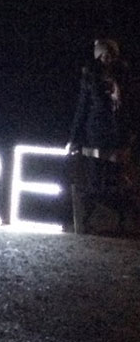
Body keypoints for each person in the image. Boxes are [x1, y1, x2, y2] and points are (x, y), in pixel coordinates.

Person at [67, 39, 134, 234]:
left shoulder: (124, 75)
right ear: (98, 55)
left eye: (110, 54)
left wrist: (131, 133)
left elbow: (131, 107)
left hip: (118, 136)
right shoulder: (90, 76)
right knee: (95, 180)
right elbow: (82, 108)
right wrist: (74, 138)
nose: (107, 58)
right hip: (95, 136)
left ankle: (120, 222)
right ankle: (87, 220)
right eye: (103, 54)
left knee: (116, 180)